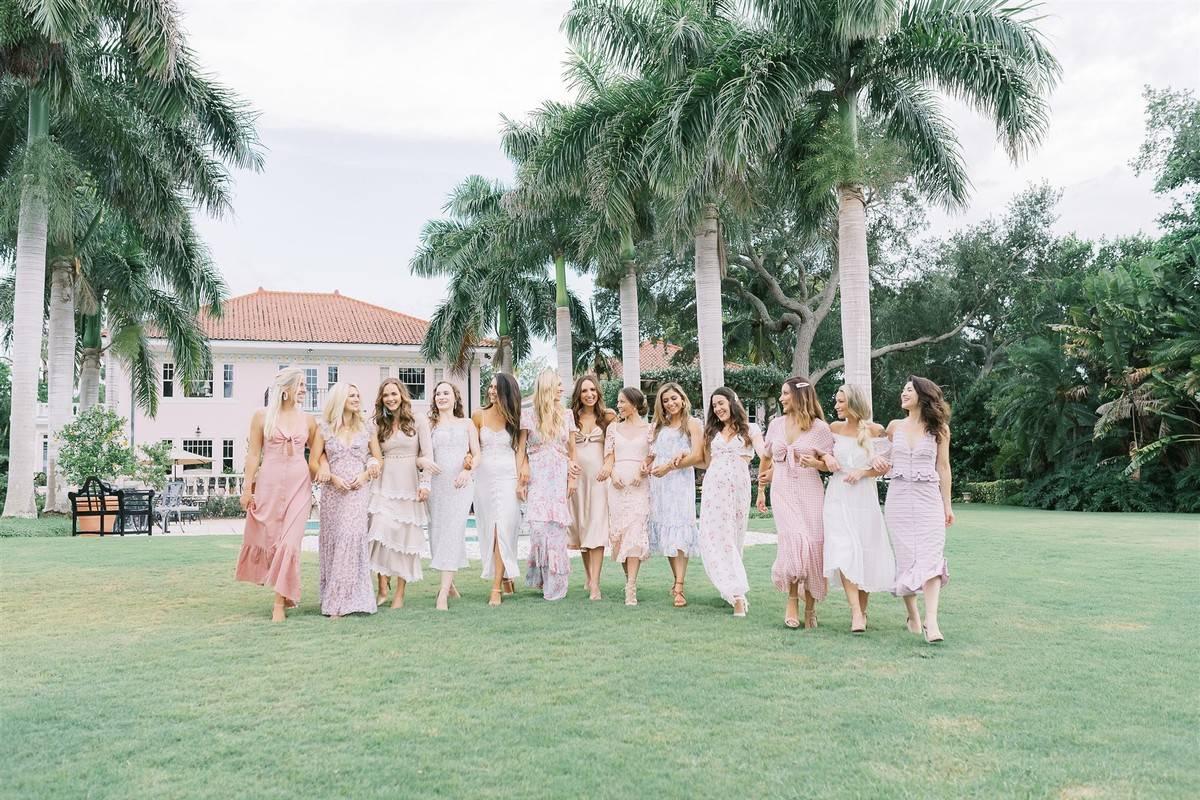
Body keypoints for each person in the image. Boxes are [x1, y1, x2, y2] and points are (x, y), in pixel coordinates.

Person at [235, 367, 318, 622]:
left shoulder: (309, 420)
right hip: (269, 485)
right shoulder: (261, 417)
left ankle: (279, 604)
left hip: (299, 487)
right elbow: (253, 455)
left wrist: (323, 472)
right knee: (272, 539)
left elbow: (319, 454)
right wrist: (247, 488)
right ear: (286, 389)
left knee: (290, 542)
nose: (305, 389)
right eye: (301, 384)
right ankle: (286, 590)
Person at [880, 376, 954, 644]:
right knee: (906, 558)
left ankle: (931, 621)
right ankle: (913, 614)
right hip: (899, 499)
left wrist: (947, 504)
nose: (903, 393)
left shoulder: (940, 429)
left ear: (923, 395)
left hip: (928, 500)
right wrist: (877, 461)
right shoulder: (894, 427)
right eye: (903, 389)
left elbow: (943, 467)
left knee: (932, 558)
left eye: (908, 390)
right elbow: (885, 459)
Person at [757, 377, 834, 629]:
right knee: (792, 542)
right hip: (782, 492)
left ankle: (810, 608)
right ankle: (792, 601)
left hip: (809, 491)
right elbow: (767, 457)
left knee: (812, 546)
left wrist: (817, 463)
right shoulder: (776, 425)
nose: (781, 398)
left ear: (800, 397)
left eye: (785, 394)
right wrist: (760, 487)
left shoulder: (820, 428)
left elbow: (828, 464)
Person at [820, 384, 895, 633]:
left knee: (864, 551)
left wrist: (864, 472)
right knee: (843, 550)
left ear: (853, 403)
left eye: (841, 402)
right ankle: (854, 611)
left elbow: (886, 466)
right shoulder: (833, 428)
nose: (836, 406)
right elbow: (822, 453)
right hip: (837, 497)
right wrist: (826, 458)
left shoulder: (876, 430)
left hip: (863, 499)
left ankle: (862, 612)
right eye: (836, 401)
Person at [309, 383, 380, 618]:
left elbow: (378, 458)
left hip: (357, 490)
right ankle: (335, 597)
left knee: (350, 537)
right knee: (335, 539)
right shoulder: (324, 428)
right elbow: (314, 461)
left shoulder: (367, 428)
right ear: (340, 399)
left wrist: (366, 473)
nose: (357, 398)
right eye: (351, 395)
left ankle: (347, 601)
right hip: (332, 492)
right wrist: (329, 474)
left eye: (358, 395)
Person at [698, 388, 766, 617]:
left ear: (731, 402)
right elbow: (704, 461)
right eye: (714, 405)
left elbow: (763, 452)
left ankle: (733, 587)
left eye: (721, 403)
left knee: (733, 538)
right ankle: (736, 594)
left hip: (738, 489)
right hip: (713, 489)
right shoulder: (712, 431)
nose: (718, 408)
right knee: (716, 538)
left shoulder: (750, 429)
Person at [367, 379, 433, 609]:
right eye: (386, 395)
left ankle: (400, 594)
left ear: (402, 395)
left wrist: (426, 483)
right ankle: (382, 584)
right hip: (383, 483)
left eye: (394, 394)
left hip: (409, 485)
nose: (390, 399)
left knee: (404, 541)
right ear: (381, 399)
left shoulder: (419, 421)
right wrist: (372, 461)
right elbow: (371, 453)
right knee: (379, 531)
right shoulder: (378, 423)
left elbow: (427, 453)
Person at [518, 369, 577, 601]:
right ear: (547, 387)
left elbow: (573, 451)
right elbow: (520, 450)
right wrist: (520, 475)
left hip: (559, 476)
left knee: (556, 534)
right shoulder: (528, 415)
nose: (562, 389)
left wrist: (572, 478)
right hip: (537, 479)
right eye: (559, 385)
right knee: (539, 531)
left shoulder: (567, 415)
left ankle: (557, 585)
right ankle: (541, 578)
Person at [648, 382, 704, 607]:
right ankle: (675, 579)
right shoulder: (658, 426)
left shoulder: (692, 423)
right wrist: (649, 466)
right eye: (665, 400)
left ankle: (680, 586)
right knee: (667, 532)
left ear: (682, 399)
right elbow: (653, 454)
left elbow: (698, 455)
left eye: (673, 398)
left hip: (679, 482)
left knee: (680, 529)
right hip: (659, 484)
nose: (670, 403)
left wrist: (669, 467)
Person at [426, 381, 480, 611]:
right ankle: (451, 585)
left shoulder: (467, 424)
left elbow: (477, 454)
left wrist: (467, 471)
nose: (441, 397)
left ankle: (442, 596)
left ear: (455, 398)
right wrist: (424, 463)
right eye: (438, 394)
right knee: (437, 533)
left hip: (460, 485)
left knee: (452, 532)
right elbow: (421, 454)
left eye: (446, 393)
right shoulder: (430, 425)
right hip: (436, 485)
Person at [472, 372, 523, 606]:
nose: (492, 391)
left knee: (504, 528)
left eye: (496, 387)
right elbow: (471, 449)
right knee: (489, 529)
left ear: (506, 391)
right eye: (490, 386)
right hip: (483, 479)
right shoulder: (478, 416)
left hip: (508, 477)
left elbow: (521, 452)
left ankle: (496, 588)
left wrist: (522, 480)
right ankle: (504, 578)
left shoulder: (516, 419)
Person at [597, 387, 651, 606]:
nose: (618, 406)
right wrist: (612, 473)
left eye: (622, 402)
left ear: (635, 404)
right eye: (618, 402)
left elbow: (652, 456)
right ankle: (629, 579)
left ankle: (631, 588)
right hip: (617, 486)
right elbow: (608, 458)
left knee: (635, 532)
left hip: (640, 485)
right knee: (619, 538)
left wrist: (643, 469)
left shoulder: (650, 428)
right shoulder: (613, 428)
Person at [569, 374, 616, 601]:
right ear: (578, 394)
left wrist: (608, 464)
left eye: (593, 390)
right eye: (584, 391)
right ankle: (589, 576)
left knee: (596, 528)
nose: (589, 395)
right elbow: (565, 448)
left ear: (598, 392)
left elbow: (616, 445)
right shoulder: (571, 418)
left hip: (599, 481)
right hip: (577, 481)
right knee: (583, 529)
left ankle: (596, 584)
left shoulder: (608, 417)